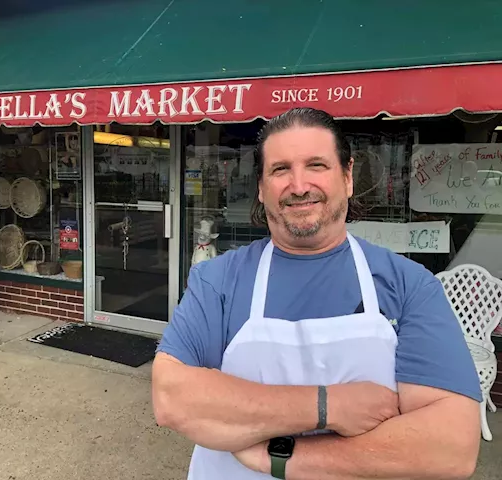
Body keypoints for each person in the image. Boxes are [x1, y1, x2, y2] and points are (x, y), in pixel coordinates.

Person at [152, 107, 482, 480]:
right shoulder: (218, 280)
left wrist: (280, 458)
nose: (298, 185)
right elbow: (172, 399)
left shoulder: (409, 285)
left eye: (316, 166)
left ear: (348, 177)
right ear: (261, 188)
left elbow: (452, 446)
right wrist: (328, 405)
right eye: (280, 170)